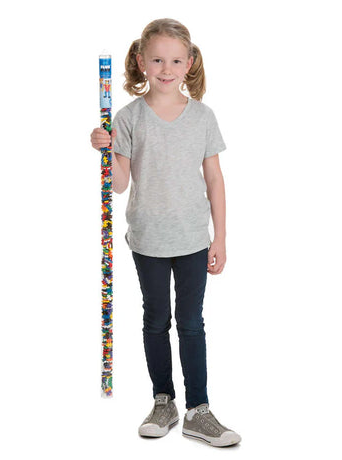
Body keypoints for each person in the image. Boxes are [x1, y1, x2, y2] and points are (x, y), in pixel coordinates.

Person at [90, 18, 241, 448]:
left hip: (193, 238)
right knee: (156, 321)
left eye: (175, 61)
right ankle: (164, 401)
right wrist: (106, 150)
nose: (166, 68)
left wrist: (220, 237)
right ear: (142, 62)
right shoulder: (128, 117)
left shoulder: (202, 117)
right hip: (149, 239)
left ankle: (199, 409)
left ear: (189, 63)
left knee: (191, 323)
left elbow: (215, 180)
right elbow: (120, 184)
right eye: (157, 60)